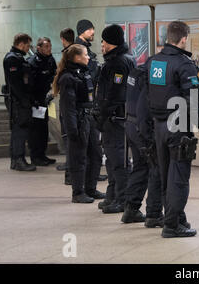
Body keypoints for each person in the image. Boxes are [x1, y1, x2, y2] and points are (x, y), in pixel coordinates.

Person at [144, 21, 199, 238]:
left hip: (158, 127)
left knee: (165, 175)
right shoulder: (184, 64)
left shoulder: (153, 61)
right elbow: (193, 100)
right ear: (184, 39)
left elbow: (146, 94)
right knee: (179, 178)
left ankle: (174, 217)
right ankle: (172, 225)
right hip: (178, 128)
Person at [52, 44, 106, 203]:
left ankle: (91, 188)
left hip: (90, 119)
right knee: (79, 158)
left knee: (95, 155)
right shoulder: (67, 77)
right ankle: (78, 192)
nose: (88, 57)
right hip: (79, 121)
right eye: (85, 54)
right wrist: (72, 130)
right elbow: (67, 107)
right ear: (76, 57)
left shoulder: (84, 73)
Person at [94, 24, 136, 214]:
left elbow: (115, 93)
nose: (101, 44)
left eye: (103, 41)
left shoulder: (118, 63)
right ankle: (112, 195)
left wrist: (103, 114)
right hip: (114, 118)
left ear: (110, 42)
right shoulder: (120, 60)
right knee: (111, 160)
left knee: (118, 161)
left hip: (115, 118)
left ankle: (122, 199)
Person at [120, 67, 163, 225]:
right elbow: (144, 106)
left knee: (140, 167)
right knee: (156, 169)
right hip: (141, 127)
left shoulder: (136, 72)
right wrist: (148, 136)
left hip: (131, 124)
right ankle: (154, 214)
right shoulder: (147, 76)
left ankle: (131, 209)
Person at [75, 20, 106, 183]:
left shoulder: (86, 49)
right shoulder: (77, 50)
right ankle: (80, 185)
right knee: (84, 149)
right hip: (83, 109)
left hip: (90, 106)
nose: (93, 31)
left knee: (93, 149)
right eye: (89, 29)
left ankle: (91, 182)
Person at [3, 33, 36, 172]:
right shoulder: (12, 59)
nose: (28, 48)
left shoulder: (18, 58)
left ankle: (17, 160)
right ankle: (18, 160)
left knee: (20, 129)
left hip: (20, 99)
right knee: (20, 130)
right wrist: (23, 100)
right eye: (27, 45)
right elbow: (15, 83)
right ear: (21, 44)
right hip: (18, 101)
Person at [27, 37, 57, 166]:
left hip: (47, 99)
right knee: (36, 130)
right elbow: (30, 84)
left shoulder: (50, 60)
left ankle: (42, 155)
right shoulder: (32, 62)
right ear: (38, 48)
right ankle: (35, 156)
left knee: (44, 128)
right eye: (46, 47)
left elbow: (54, 75)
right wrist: (34, 100)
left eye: (50, 46)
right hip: (36, 101)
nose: (49, 49)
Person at [57, 28, 75, 179]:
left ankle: (71, 172)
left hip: (72, 112)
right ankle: (70, 173)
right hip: (71, 113)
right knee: (70, 140)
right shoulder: (68, 77)